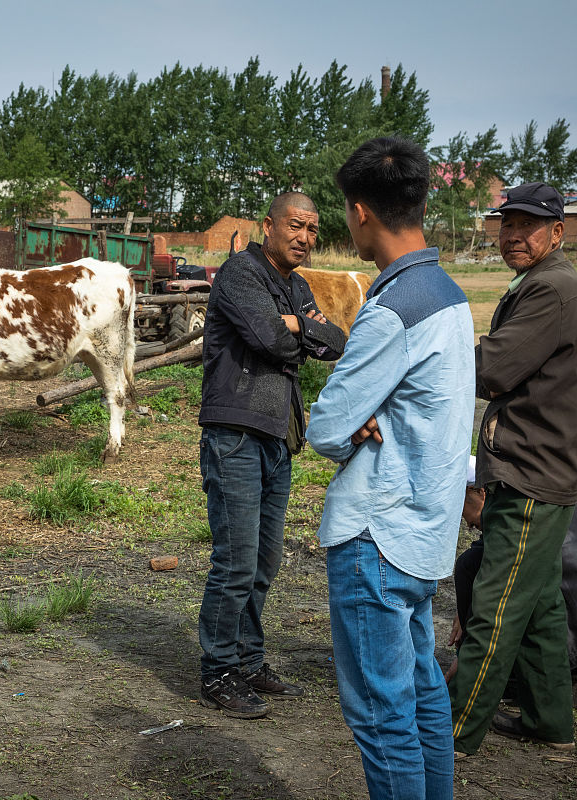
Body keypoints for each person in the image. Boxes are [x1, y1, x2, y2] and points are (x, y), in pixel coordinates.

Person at [305, 136, 473, 799]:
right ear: (421, 201)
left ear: (359, 212)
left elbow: (326, 426)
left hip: (376, 535)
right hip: (425, 532)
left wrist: (359, 416)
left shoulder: (393, 308)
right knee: (423, 689)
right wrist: (367, 411)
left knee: (382, 715)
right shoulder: (450, 295)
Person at [450, 182, 577, 756]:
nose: (513, 235)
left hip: (531, 474)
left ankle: (454, 730)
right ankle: (547, 719)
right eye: (507, 224)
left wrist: (426, 355)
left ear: (557, 233)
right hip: (540, 468)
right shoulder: (544, 282)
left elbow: (493, 368)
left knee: (497, 605)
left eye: (527, 226)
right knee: (538, 605)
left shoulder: (551, 289)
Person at [197, 191, 346, 719]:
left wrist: (298, 324)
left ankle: (249, 659)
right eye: (296, 225)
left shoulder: (297, 286)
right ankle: (218, 671)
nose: (305, 237)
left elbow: (334, 343)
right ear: (269, 225)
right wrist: (298, 329)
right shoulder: (241, 272)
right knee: (236, 560)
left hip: (279, 436)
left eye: (313, 229)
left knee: (264, 560)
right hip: (236, 432)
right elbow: (268, 340)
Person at [448, 475, 577, 683]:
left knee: (468, 564)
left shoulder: (510, 531)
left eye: (472, 522)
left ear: (481, 492)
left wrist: (467, 657)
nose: (469, 526)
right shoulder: (546, 497)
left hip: (575, 650)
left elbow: (491, 602)